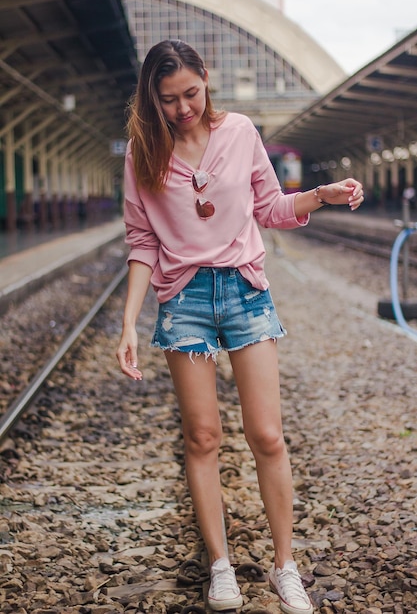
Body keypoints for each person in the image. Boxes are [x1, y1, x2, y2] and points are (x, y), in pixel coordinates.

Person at [116, 39, 364, 614]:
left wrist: (320, 196)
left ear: (207, 78)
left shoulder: (241, 132)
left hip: (246, 292)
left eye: (192, 94)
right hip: (184, 299)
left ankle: (285, 567)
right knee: (202, 437)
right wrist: (130, 322)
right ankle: (220, 566)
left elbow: (270, 208)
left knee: (267, 436)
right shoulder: (142, 153)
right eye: (169, 100)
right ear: (152, 99)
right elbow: (141, 243)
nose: (183, 109)